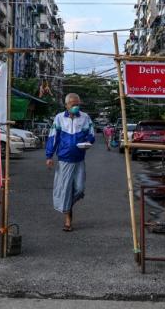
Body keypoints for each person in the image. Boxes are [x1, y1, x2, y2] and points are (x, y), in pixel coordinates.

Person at [45, 93, 94, 232]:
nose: (76, 107)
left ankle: (65, 204)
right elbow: (53, 137)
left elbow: (91, 132)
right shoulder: (59, 118)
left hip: (79, 159)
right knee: (65, 190)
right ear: (66, 105)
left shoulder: (85, 117)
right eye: (73, 104)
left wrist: (89, 142)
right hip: (64, 160)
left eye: (78, 104)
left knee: (79, 189)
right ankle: (68, 220)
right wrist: (49, 156)